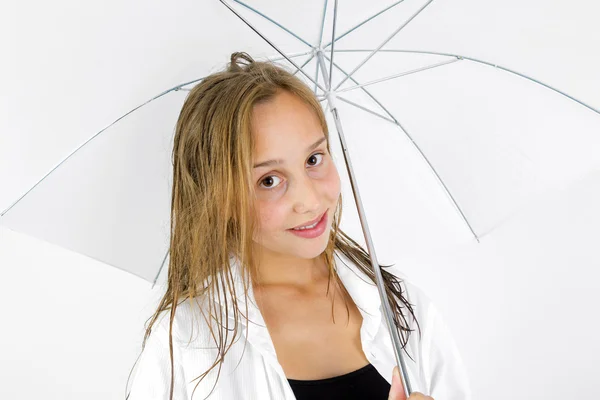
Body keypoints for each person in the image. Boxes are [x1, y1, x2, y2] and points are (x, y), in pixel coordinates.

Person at [126, 52, 471, 400]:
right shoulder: (185, 343)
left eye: (313, 159)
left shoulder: (402, 309)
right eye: (269, 180)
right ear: (221, 199)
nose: (308, 199)